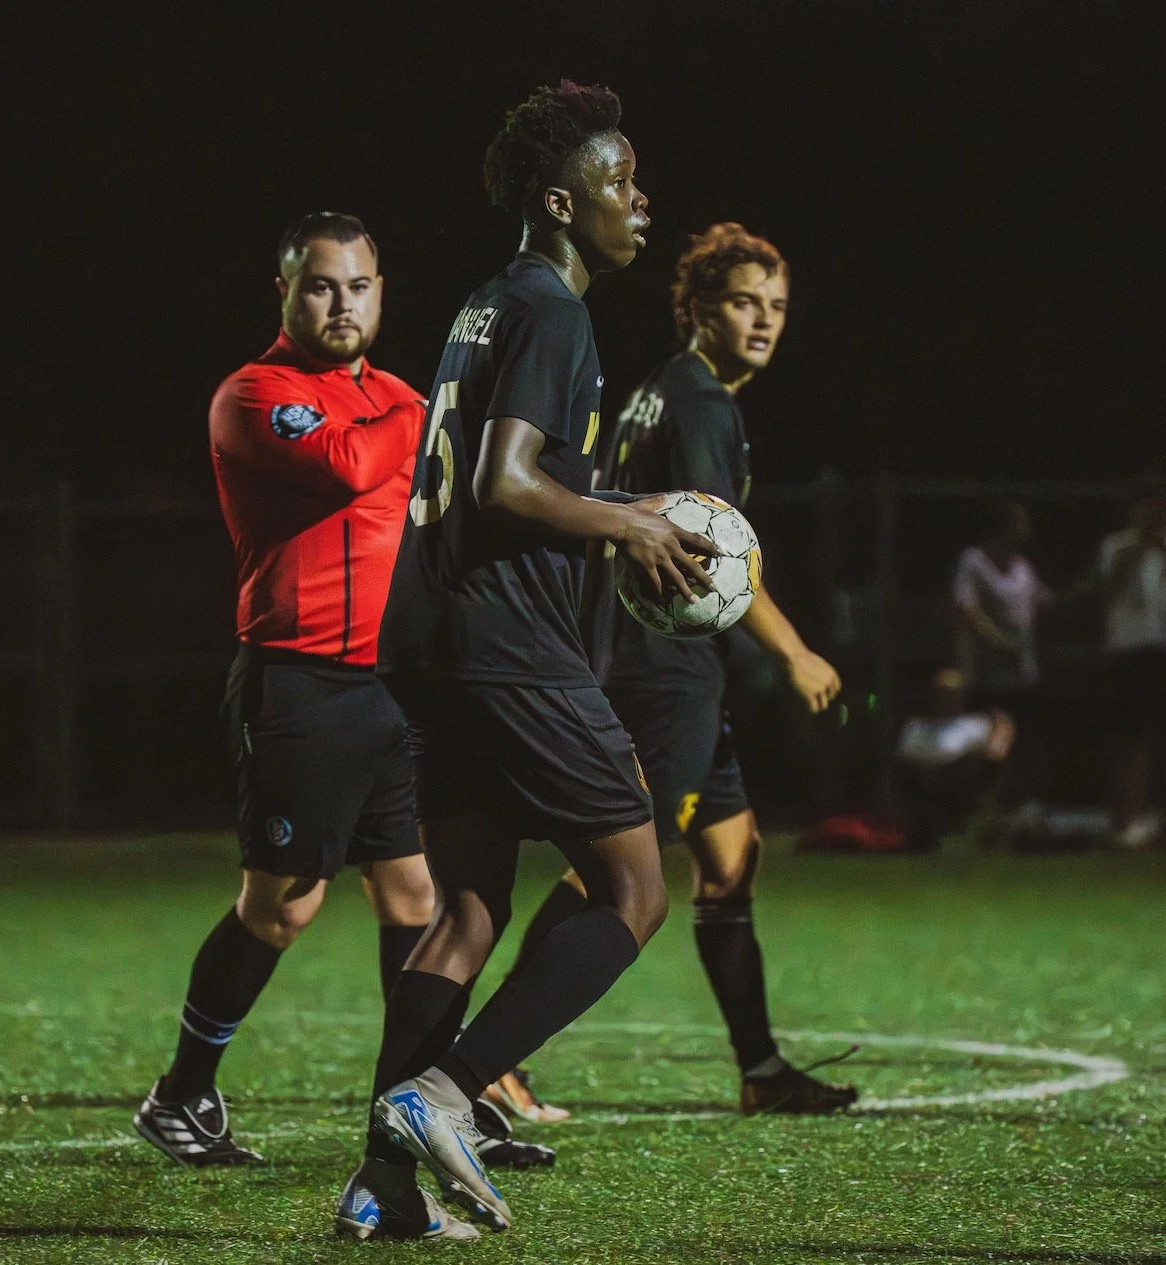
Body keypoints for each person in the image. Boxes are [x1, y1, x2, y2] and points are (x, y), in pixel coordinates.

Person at [334, 81, 717, 1241]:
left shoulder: (484, 303)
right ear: (559, 202)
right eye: (617, 182)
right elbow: (506, 483)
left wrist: (620, 508)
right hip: (507, 641)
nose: (637, 200)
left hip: (433, 635)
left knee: (465, 907)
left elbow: (502, 480)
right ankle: (447, 1090)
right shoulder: (552, 309)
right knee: (634, 888)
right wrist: (630, 525)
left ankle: (381, 1186)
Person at [498, 223, 858, 1119]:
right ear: (697, 308)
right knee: (615, 870)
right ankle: (499, 1057)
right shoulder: (701, 404)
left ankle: (761, 1069)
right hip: (664, 671)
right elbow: (716, 550)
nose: (763, 320)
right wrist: (795, 651)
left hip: (666, 660)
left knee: (732, 856)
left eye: (776, 306)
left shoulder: (662, 391)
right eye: (743, 302)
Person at [134, 213, 445, 1192]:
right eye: (320, 284)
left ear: (380, 291)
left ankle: (420, 1110)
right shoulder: (255, 393)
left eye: (358, 285)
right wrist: (430, 413)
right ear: (285, 292)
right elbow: (344, 464)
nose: (342, 303)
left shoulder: (394, 397)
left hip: (385, 686)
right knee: (281, 906)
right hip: (297, 683)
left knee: (415, 896)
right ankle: (182, 1093)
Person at [951, 501, 1052, 807]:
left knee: (1023, 745)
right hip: (988, 676)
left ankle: (1015, 809)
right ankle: (981, 809)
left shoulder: (1023, 567)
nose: (1026, 527)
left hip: (1023, 675)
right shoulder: (973, 562)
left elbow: (1045, 600)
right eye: (1019, 521)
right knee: (990, 748)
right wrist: (998, 640)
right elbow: (966, 609)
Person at [1098, 475, 1166, 848]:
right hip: (1129, 650)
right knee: (1130, 737)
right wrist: (1140, 545)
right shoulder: (1116, 546)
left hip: (1161, 647)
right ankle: (1126, 818)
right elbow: (1111, 591)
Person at [895, 667, 1015, 850]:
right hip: (927, 787)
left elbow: (995, 756)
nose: (947, 699)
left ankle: (973, 825)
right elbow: (906, 759)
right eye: (942, 693)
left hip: (964, 788)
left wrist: (1003, 724)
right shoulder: (918, 726)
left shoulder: (976, 725)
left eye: (952, 694)